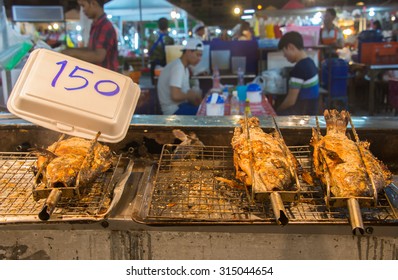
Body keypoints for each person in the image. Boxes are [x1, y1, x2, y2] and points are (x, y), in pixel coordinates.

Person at [61, 0, 119, 72]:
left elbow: (98, 56)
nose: (83, 10)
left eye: (83, 6)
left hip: (105, 77)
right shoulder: (96, 25)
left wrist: (72, 53)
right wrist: (70, 50)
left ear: (93, 3)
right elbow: (91, 49)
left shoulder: (105, 26)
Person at [276, 31, 319, 116]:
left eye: (284, 52)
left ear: (290, 47)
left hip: (302, 115)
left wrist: (276, 111)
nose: (285, 56)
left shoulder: (300, 68)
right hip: (311, 112)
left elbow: (290, 101)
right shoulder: (310, 62)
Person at [157, 38, 204, 115]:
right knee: (205, 115)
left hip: (181, 106)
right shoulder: (178, 67)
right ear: (188, 52)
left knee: (204, 110)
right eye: (197, 55)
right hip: (173, 111)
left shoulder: (184, 68)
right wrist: (190, 95)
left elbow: (186, 92)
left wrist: (197, 99)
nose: (199, 59)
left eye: (201, 56)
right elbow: (175, 95)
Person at [148, 17, 175, 84]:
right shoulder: (170, 39)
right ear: (167, 25)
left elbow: (149, 50)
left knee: (155, 83)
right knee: (165, 84)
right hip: (165, 64)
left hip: (153, 64)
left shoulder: (151, 37)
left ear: (158, 25)